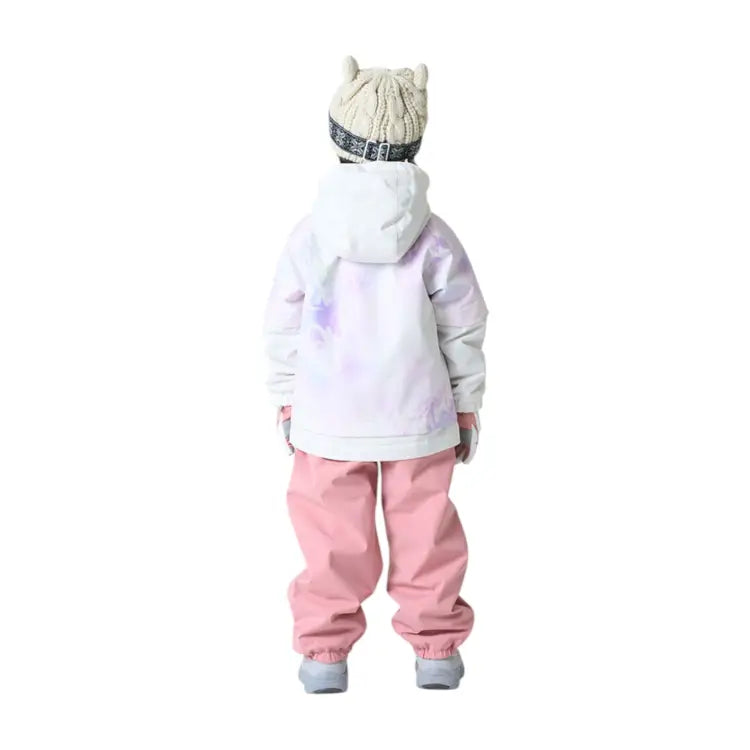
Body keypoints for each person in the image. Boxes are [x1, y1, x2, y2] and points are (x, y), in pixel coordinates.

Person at [263, 56, 488, 692]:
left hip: (328, 419)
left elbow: (282, 325)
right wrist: (466, 404)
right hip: (420, 416)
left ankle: (324, 656)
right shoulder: (435, 238)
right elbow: (464, 327)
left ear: (337, 136)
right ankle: (436, 650)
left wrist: (287, 399)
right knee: (426, 533)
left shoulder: (309, 236)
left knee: (331, 539)